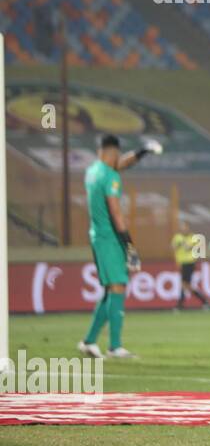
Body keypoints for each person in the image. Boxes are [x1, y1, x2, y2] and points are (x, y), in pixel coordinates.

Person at [77, 134, 162, 359]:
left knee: (111, 290)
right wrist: (130, 247)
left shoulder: (93, 171)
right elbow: (116, 213)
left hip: (98, 236)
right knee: (118, 287)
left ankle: (89, 342)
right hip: (110, 238)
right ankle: (114, 346)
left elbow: (122, 163)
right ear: (113, 152)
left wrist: (142, 152)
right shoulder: (111, 177)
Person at [171, 221, 210, 311]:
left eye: (185, 227)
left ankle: (180, 304)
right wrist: (178, 245)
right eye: (182, 227)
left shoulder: (193, 237)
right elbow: (173, 247)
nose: (183, 229)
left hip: (189, 263)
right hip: (181, 263)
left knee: (184, 284)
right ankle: (204, 301)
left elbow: (193, 249)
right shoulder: (177, 237)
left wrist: (185, 245)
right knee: (186, 285)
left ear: (188, 228)